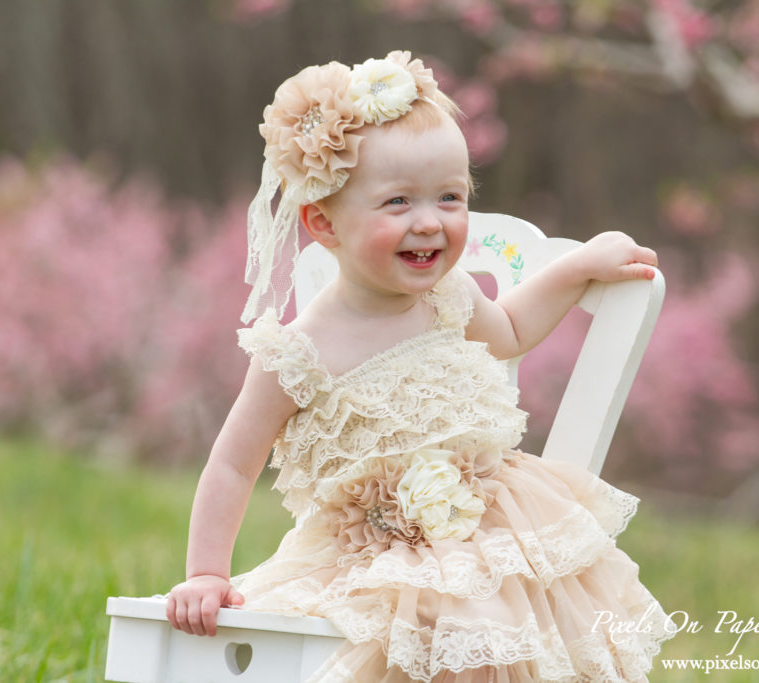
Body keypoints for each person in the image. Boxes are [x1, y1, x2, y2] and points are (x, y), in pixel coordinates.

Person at [167, 50, 674, 681]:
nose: (430, 223)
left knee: (500, 640)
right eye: (398, 202)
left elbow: (511, 329)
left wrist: (576, 268)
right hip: (372, 561)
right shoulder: (296, 354)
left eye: (450, 197)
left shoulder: (448, 297)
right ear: (324, 223)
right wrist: (208, 574)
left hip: (497, 538)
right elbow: (231, 464)